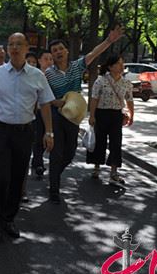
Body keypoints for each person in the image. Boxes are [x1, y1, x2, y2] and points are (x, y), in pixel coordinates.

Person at [0, 33, 54, 245]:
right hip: (2, 130)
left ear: (27, 47)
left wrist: (49, 132)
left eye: (19, 44)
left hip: (25, 131)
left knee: (18, 178)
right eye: (11, 44)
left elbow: (46, 103)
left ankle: (9, 219)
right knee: (1, 177)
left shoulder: (37, 75)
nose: (14, 48)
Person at [45, 26, 124, 204]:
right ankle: (54, 189)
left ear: (66, 51)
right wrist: (58, 102)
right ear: (52, 55)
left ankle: (54, 173)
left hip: (74, 116)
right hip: (57, 115)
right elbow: (46, 97)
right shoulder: (48, 74)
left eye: (60, 49)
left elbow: (94, 53)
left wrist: (109, 40)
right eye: (54, 51)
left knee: (70, 152)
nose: (58, 52)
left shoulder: (76, 66)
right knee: (57, 152)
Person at [87, 55, 134, 185]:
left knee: (116, 143)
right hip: (101, 114)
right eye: (118, 63)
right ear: (110, 67)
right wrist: (92, 115)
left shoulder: (126, 82)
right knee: (100, 141)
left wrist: (132, 115)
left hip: (116, 115)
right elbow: (94, 99)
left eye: (122, 63)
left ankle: (114, 171)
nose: (122, 66)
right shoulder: (101, 80)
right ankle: (96, 167)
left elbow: (129, 100)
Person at [31, 49, 54, 178]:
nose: (49, 61)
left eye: (51, 59)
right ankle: (38, 161)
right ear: (39, 61)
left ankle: (38, 159)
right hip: (38, 111)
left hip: (52, 111)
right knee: (38, 137)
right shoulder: (35, 75)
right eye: (46, 59)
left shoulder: (55, 75)